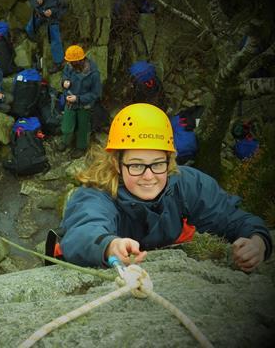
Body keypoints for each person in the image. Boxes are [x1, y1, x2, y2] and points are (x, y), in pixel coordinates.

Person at [60, 103, 272, 272]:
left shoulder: (185, 183)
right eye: (136, 165)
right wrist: (109, 246)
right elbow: (84, 230)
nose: (149, 176)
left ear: (169, 161)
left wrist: (258, 240)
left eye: (158, 164)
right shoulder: (96, 194)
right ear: (117, 163)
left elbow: (230, 216)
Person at [57, 45, 102, 159]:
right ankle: (65, 141)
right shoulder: (69, 66)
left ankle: (81, 147)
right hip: (70, 102)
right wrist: (64, 82)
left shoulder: (93, 74)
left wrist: (78, 99)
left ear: (79, 60)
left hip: (84, 104)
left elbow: (95, 93)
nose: (69, 64)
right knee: (66, 127)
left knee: (83, 127)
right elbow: (65, 76)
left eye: (72, 62)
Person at [25, 0, 67, 74]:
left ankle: (58, 63)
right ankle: (36, 46)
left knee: (55, 38)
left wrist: (52, 11)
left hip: (52, 18)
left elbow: (64, 7)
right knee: (29, 29)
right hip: (39, 14)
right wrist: (37, 2)